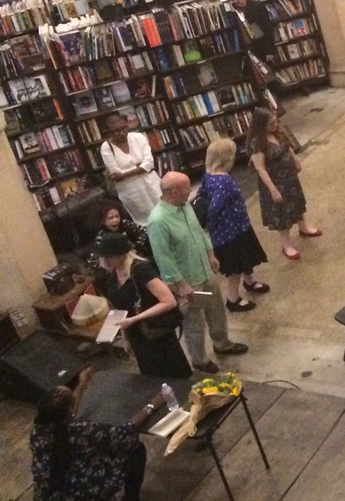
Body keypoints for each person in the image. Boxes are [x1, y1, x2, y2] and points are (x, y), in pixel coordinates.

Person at [148, 172, 248, 374]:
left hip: (204, 269)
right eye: (186, 188)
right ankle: (199, 360)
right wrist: (181, 285)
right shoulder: (158, 221)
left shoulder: (184, 205)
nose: (191, 191)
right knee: (194, 322)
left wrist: (210, 253)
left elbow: (199, 231)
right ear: (174, 192)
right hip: (187, 281)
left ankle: (222, 343)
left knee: (216, 309)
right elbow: (163, 258)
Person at [30, 371, 151, 501]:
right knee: (135, 449)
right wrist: (152, 406)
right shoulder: (82, 432)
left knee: (95, 454)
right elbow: (125, 432)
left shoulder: (37, 433)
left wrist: (81, 386)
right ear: (67, 413)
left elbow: (67, 414)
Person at [94, 232, 190, 378]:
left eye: (109, 257)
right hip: (137, 335)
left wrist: (135, 319)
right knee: (151, 376)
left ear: (121, 254)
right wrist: (126, 338)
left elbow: (169, 301)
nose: (105, 262)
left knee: (173, 374)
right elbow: (121, 308)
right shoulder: (112, 274)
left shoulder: (140, 269)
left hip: (155, 331)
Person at [202, 138, 270, 312]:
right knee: (235, 267)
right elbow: (213, 208)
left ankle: (250, 282)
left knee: (244, 258)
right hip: (230, 232)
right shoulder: (224, 181)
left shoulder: (208, 176)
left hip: (232, 229)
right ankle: (233, 299)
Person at [248, 107, 320, 260]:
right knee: (282, 213)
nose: (275, 125)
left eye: (275, 121)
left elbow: (287, 147)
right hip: (275, 183)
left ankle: (303, 228)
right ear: (261, 125)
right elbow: (260, 168)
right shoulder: (257, 143)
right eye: (271, 123)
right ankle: (286, 244)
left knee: (297, 202)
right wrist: (273, 190)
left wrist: (295, 159)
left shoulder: (278, 132)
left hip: (289, 178)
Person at [99, 113, 163, 223]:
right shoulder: (106, 147)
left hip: (152, 183)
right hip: (131, 191)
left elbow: (149, 163)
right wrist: (139, 167)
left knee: (165, 210)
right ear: (109, 132)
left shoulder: (139, 137)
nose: (121, 133)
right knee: (147, 221)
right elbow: (115, 175)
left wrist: (124, 174)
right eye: (116, 130)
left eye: (124, 128)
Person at [224, 0, 275, 64]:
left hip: (262, 50)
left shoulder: (257, 7)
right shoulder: (231, 12)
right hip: (245, 53)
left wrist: (270, 51)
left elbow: (268, 28)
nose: (234, 1)